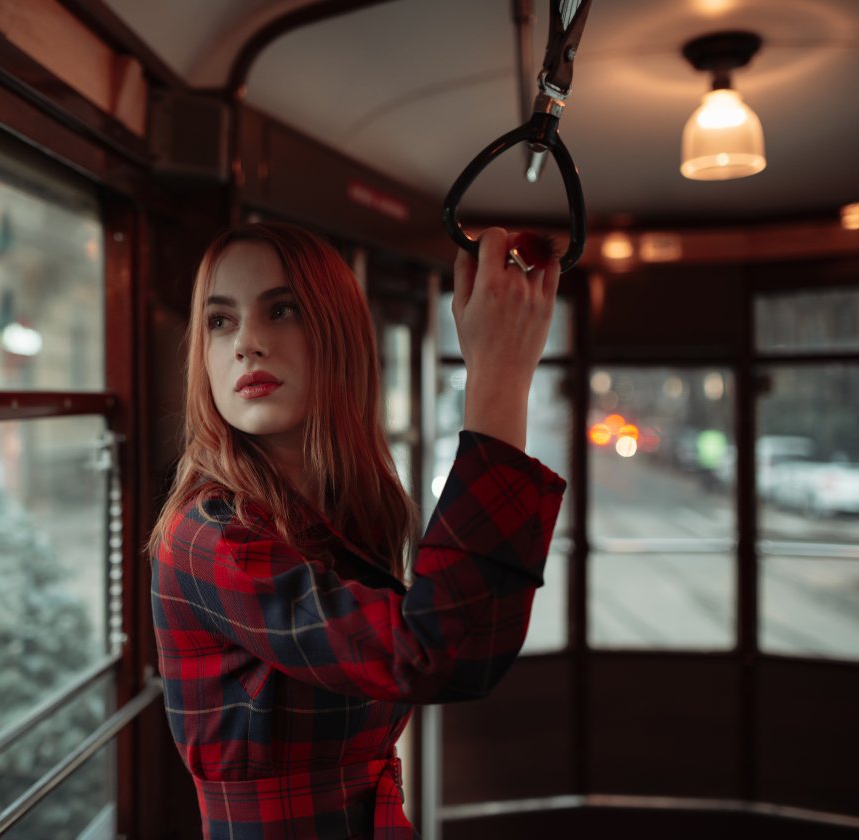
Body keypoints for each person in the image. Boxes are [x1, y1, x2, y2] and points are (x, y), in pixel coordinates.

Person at [148, 221, 566, 839]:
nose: (247, 344)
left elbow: (463, 630)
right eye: (220, 321)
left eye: (281, 309)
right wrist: (500, 376)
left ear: (338, 335)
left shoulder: (337, 514)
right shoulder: (210, 536)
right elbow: (437, 656)